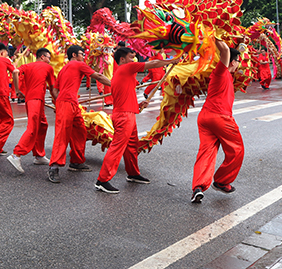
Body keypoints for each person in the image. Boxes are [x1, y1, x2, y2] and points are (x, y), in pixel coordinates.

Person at [95, 47, 180, 194]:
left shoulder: (121, 75)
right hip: (123, 116)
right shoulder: (126, 68)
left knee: (132, 146)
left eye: (134, 57)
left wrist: (139, 105)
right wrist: (172, 61)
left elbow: (125, 96)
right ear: (122, 59)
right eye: (131, 57)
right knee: (117, 147)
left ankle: (133, 173)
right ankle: (102, 180)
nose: (133, 60)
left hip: (127, 114)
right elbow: (153, 64)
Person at [47, 45, 111, 184]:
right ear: (75, 55)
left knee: (80, 131)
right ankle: (54, 167)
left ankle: (76, 161)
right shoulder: (78, 64)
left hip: (70, 103)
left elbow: (55, 90)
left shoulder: (64, 68)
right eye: (82, 54)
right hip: (67, 103)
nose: (84, 56)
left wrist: (59, 101)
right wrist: (115, 85)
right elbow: (98, 76)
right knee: (62, 134)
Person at [191, 39, 244, 204]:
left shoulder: (224, 75)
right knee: (237, 150)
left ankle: (197, 188)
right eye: (238, 61)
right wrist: (213, 34)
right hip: (220, 118)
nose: (238, 65)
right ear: (232, 62)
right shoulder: (221, 71)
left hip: (205, 117)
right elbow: (226, 51)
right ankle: (222, 181)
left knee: (206, 153)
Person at [6, 48, 57, 173]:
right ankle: (16, 154)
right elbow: (53, 89)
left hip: (32, 100)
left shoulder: (27, 66)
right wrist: (58, 103)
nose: (49, 61)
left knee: (43, 125)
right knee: (33, 128)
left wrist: (17, 91)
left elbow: (15, 71)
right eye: (49, 58)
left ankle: (39, 155)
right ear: (43, 57)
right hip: (36, 100)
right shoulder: (47, 68)